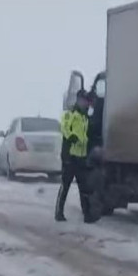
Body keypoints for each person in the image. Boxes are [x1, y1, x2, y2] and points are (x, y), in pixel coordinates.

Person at [55, 90, 95, 223]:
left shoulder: (85, 117)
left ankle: (87, 215)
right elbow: (64, 126)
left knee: (84, 187)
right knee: (65, 185)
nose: (85, 103)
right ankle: (59, 212)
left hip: (81, 157)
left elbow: (85, 134)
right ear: (78, 100)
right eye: (83, 100)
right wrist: (71, 137)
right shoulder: (71, 113)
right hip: (70, 156)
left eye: (87, 101)